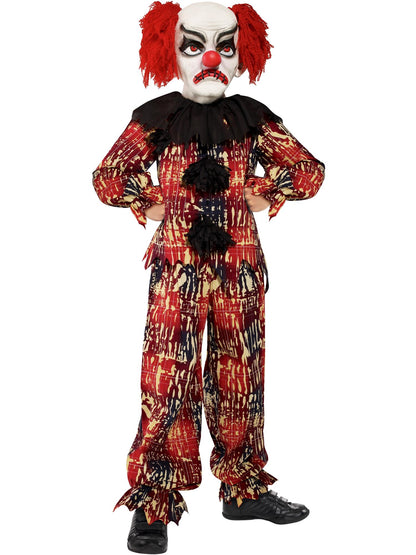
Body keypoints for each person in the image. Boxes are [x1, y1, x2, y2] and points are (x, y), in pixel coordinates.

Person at [92, 2, 325, 553]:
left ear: (244, 56)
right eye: (194, 46)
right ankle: (154, 501)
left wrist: (266, 190)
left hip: (239, 270)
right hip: (176, 271)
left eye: (224, 47)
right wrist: (148, 199)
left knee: (241, 376)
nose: (211, 60)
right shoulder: (157, 117)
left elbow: (308, 170)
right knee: (166, 382)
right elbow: (108, 176)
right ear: (169, 54)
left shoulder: (254, 117)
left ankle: (242, 489)